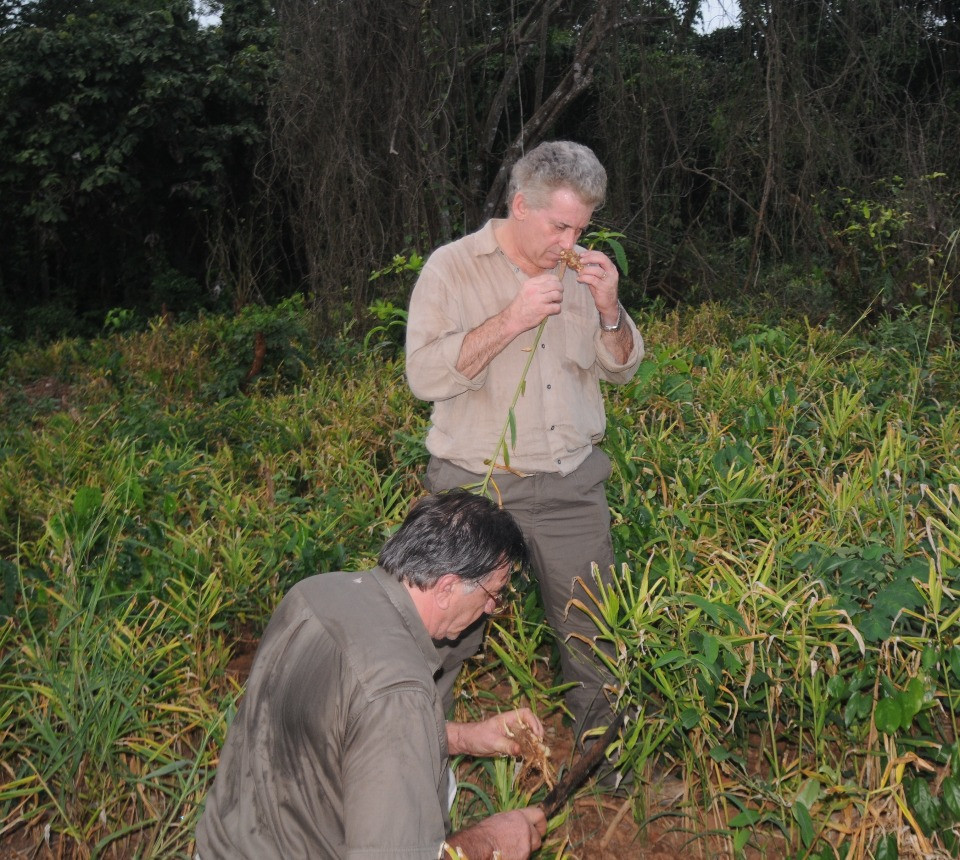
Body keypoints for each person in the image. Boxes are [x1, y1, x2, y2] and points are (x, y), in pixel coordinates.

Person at [405, 140, 644, 752]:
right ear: (519, 205)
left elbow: (621, 369)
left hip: (571, 487)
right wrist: (512, 319)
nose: (573, 242)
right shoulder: (453, 269)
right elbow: (424, 376)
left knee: (593, 635)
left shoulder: (583, 272)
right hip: (475, 487)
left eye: (583, 228)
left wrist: (610, 311)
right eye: (560, 225)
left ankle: (602, 770)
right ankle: (417, 763)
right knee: (439, 638)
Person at [195, 491, 547, 860]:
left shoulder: (315, 592)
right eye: (494, 593)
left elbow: (343, 725)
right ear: (446, 588)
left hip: (230, 842)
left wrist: (463, 738)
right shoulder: (399, 689)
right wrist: (491, 842)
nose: (492, 607)